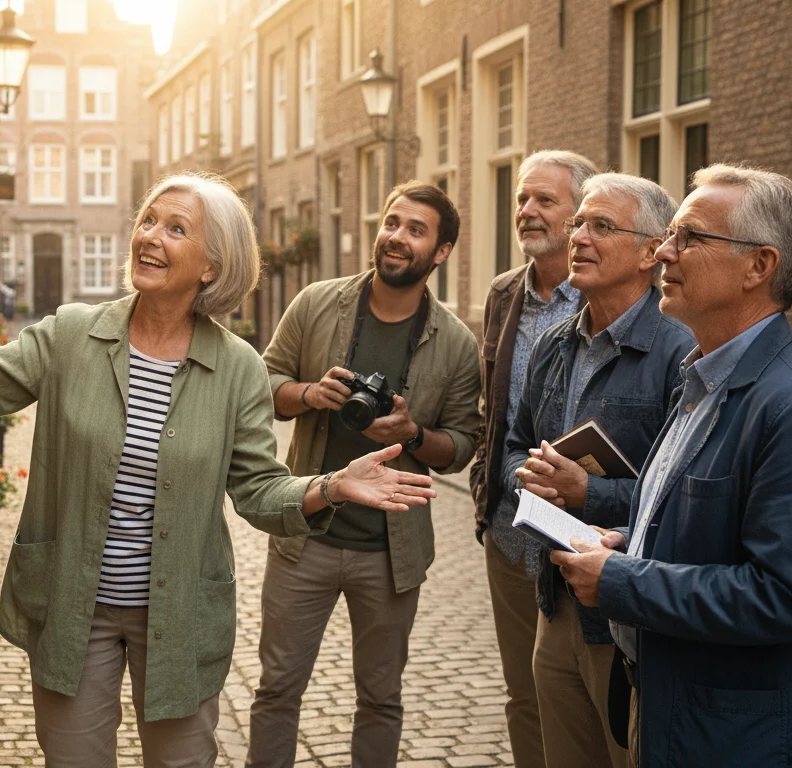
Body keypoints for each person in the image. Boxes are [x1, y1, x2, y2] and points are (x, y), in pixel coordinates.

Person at [0, 173, 439, 768]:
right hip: (76, 606)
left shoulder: (238, 366)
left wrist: (330, 485)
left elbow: (258, 492)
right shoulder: (72, 335)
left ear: (212, 264)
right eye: (149, 220)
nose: (150, 236)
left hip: (181, 611)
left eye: (176, 228)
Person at [552, 165, 792, 767]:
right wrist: (634, 541)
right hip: (685, 718)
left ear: (760, 266)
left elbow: (790, 596)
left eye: (689, 237)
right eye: (669, 234)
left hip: (752, 742)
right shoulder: (699, 384)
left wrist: (623, 580)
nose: (665, 252)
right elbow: (714, 535)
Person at [249, 180, 482, 767]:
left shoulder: (455, 344)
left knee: (381, 699)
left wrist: (411, 435)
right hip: (305, 536)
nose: (396, 237)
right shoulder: (316, 303)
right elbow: (262, 387)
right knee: (277, 689)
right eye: (392, 222)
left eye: (415, 229)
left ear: (442, 251)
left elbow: (461, 446)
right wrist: (309, 393)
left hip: (390, 551)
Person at [502, 173, 693, 768]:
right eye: (579, 222)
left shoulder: (681, 350)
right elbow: (513, 444)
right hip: (555, 601)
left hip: (630, 612)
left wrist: (592, 493)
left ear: (649, 251)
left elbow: (687, 497)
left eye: (601, 226)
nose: (578, 236)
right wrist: (527, 477)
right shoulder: (552, 345)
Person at [467, 149, 597, 768]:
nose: (527, 211)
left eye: (545, 200)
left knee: (587, 698)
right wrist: (484, 490)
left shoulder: (606, 293)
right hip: (509, 532)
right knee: (523, 693)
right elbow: (491, 407)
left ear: (580, 215)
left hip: (581, 535)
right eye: (522, 199)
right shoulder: (501, 295)